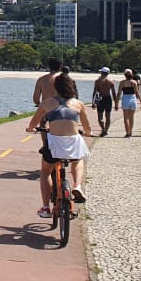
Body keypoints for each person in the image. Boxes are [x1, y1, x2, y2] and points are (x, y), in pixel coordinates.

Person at [26, 73, 92, 218]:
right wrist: (88, 132)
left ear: (56, 87)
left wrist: (30, 129)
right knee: (78, 159)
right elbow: (87, 127)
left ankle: (45, 208)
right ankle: (77, 186)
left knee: (45, 172)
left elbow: (33, 123)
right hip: (73, 143)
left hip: (54, 144)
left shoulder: (47, 103)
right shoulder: (78, 104)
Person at [117, 69, 141, 138]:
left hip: (125, 98)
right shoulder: (134, 82)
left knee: (126, 118)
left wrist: (116, 103)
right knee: (131, 117)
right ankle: (130, 131)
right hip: (133, 98)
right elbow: (137, 92)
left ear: (125, 75)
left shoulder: (122, 83)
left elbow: (119, 93)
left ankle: (127, 132)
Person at [91, 67, 117, 137]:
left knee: (100, 117)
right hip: (108, 99)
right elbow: (114, 93)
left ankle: (103, 129)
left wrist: (93, 102)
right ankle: (105, 130)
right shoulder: (111, 82)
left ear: (102, 73)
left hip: (100, 99)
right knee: (108, 116)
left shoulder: (97, 81)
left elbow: (95, 92)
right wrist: (116, 103)